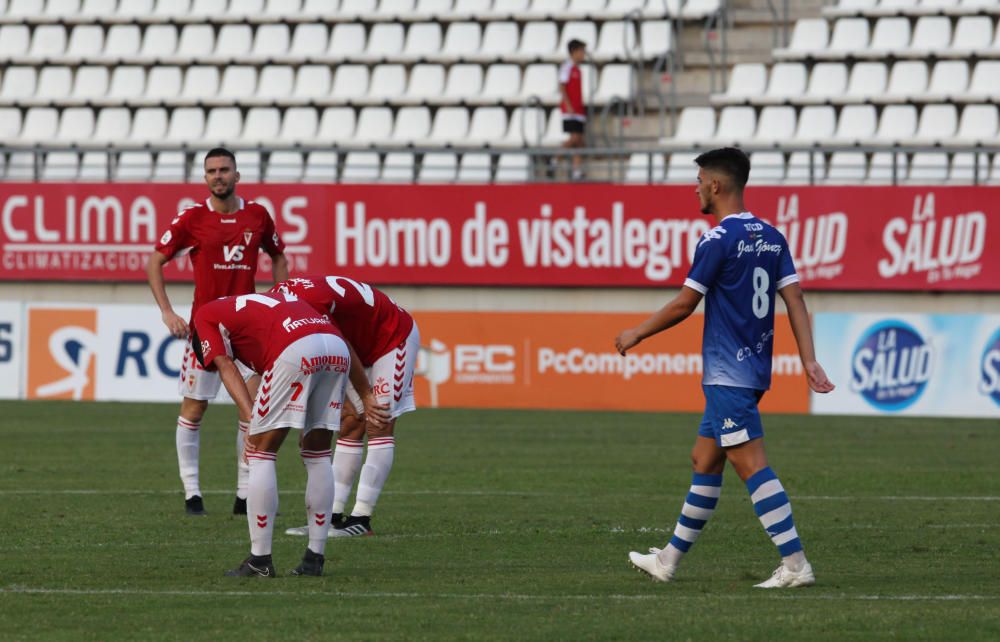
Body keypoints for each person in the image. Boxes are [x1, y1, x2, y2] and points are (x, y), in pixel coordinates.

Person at [614, 147, 835, 588]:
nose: (694, 188)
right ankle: (668, 561)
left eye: (698, 180)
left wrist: (636, 333)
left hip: (726, 375)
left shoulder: (717, 240)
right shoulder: (773, 236)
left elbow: (684, 303)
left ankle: (796, 565)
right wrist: (808, 358)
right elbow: (795, 300)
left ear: (716, 185)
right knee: (704, 459)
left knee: (751, 465)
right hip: (752, 372)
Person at [191, 291, 375, 576]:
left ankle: (260, 560)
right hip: (335, 344)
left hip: (294, 348)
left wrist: (253, 419)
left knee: (260, 451)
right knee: (318, 453)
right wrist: (364, 393)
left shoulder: (203, 316)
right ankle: (315, 558)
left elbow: (225, 365)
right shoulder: (254, 310)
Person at [146, 147, 288, 516]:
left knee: (252, 410)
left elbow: (278, 256)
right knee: (193, 410)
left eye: (224, 169)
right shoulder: (191, 219)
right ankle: (192, 493)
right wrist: (166, 312)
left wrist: (280, 300)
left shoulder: (257, 215)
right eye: (211, 171)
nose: (218, 175)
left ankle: (244, 494)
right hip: (205, 329)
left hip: (248, 331)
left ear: (237, 175)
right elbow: (155, 261)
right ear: (205, 177)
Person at [273, 275, 419, 539]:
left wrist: (366, 393)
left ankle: (361, 518)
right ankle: (331, 517)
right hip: (356, 343)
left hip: (392, 338)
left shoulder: (305, 307)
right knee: (350, 422)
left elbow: (340, 345)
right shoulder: (280, 304)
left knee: (378, 420)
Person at [559, 39, 587, 180]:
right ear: (574, 52)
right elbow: (562, 86)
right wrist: (568, 105)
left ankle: (577, 170)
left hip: (579, 110)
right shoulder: (567, 67)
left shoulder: (577, 69)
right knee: (574, 138)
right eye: (581, 51)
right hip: (570, 111)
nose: (583, 55)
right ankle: (555, 158)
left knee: (579, 141)